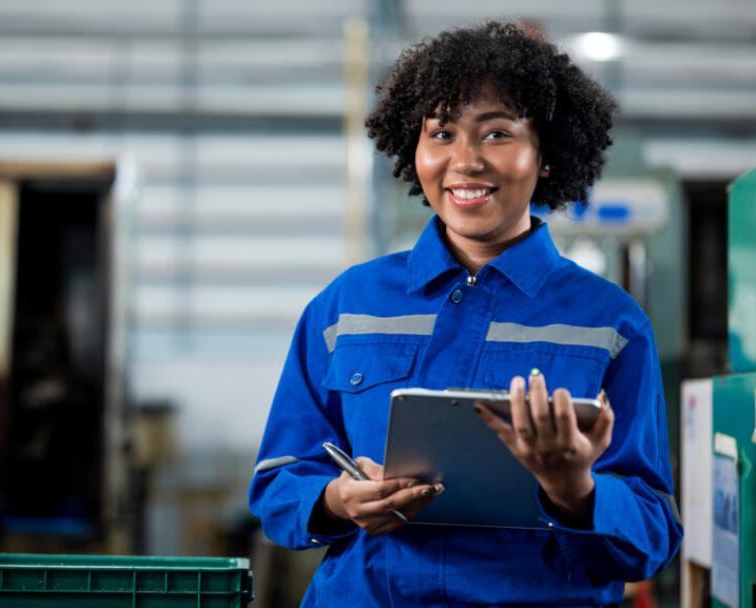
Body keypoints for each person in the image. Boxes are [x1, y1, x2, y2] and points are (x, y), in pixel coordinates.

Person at [249, 22, 682, 606]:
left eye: (497, 133)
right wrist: (336, 500)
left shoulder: (610, 324)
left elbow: (650, 535)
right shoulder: (347, 305)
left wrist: (575, 490)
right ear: (415, 148)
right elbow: (279, 479)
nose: (466, 160)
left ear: (545, 154)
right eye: (442, 133)